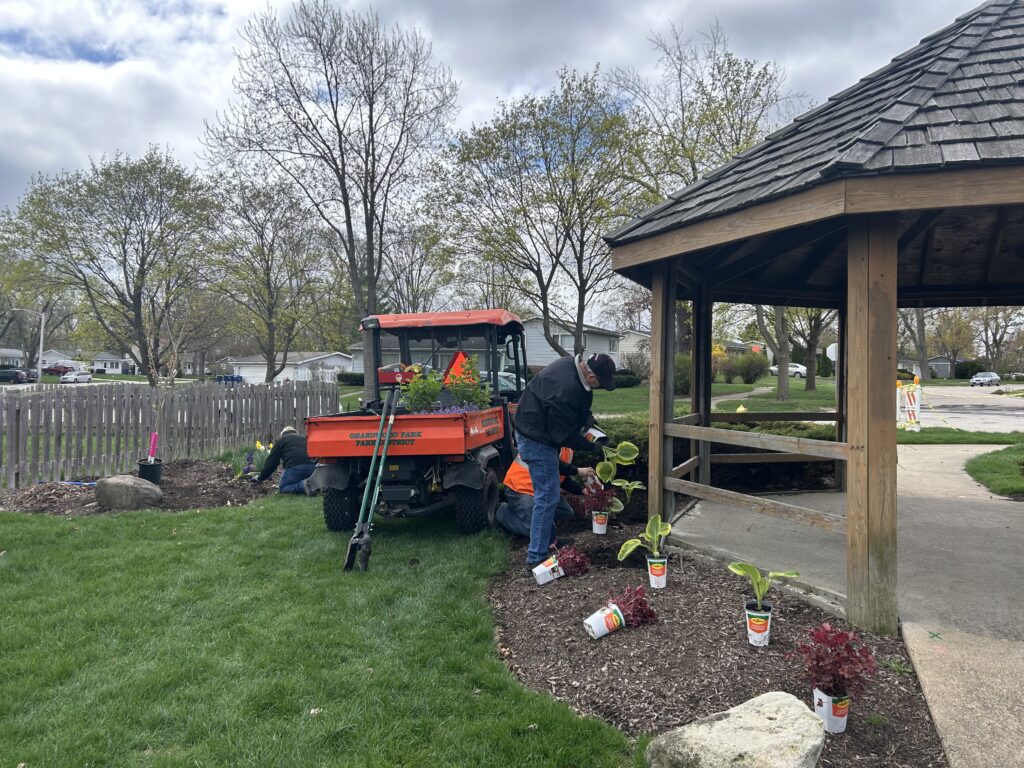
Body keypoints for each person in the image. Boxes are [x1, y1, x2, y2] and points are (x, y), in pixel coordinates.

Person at [513, 352, 617, 569]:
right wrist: (590, 445)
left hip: (540, 431)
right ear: (589, 373)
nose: (599, 386)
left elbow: (581, 409)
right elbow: (563, 436)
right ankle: (536, 558)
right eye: (600, 382)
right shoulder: (565, 389)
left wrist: (590, 423)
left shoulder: (572, 367)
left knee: (548, 495)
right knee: (547, 497)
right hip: (536, 438)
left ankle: (549, 540)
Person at [496, 446, 600, 546]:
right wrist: (577, 471)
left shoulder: (567, 449)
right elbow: (550, 462)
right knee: (540, 533)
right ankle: (503, 513)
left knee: (566, 512)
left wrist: (582, 490)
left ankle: (542, 525)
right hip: (520, 488)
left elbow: (561, 476)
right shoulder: (550, 439)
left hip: (541, 491)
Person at [254, 426, 315, 494]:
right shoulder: (304, 439)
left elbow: (272, 463)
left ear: (283, 434)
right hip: (312, 467)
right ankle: (314, 485)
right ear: (295, 432)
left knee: (283, 488)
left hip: (294, 468)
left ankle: (303, 486)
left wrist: (261, 477)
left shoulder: (282, 440)